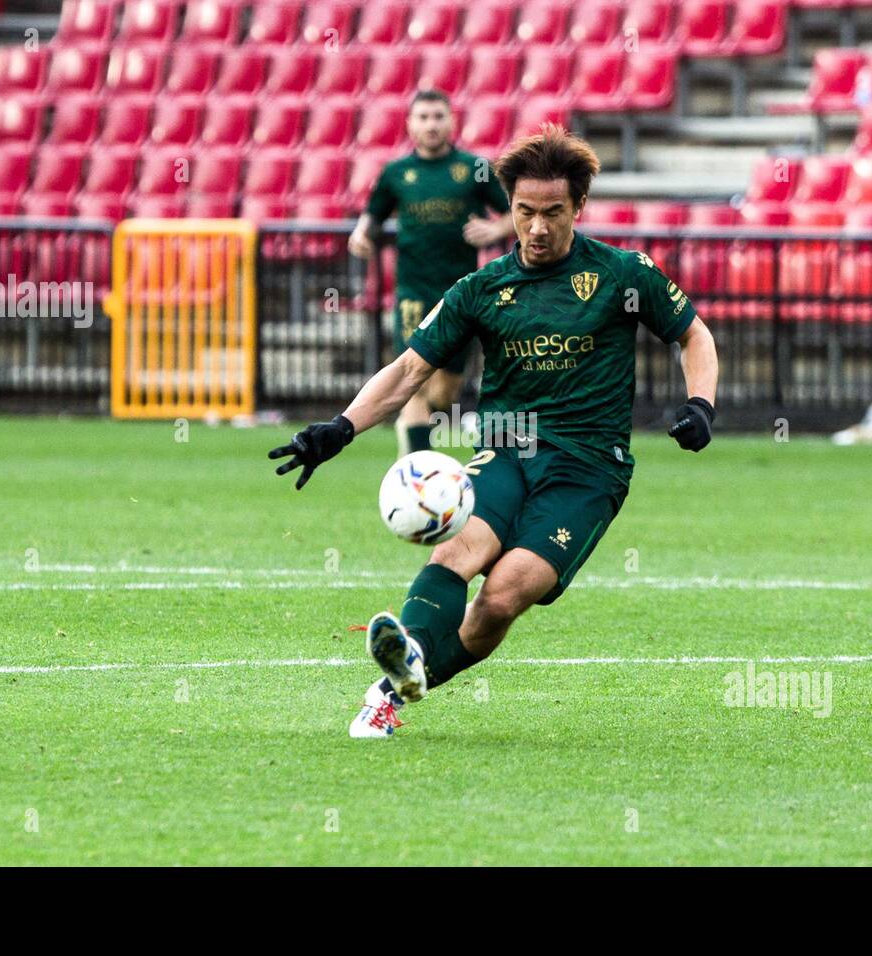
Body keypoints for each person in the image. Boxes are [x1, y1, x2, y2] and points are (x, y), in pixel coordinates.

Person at [273, 125, 720, 739]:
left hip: (587, 470)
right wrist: (339, 428)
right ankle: (394, 685)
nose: (537, 229)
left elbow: (693, 334)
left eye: (553, 214)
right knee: (455, 551)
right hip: (505, 453)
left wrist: (701, 405)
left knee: (501, 598)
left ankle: (410, 671)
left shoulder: (624, 275)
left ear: (579, 208)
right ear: (508, 207)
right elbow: (409, 370)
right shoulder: (480, 290)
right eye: (524, 212)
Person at [347, 89, 513, 456]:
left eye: (438, 117)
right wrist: (361, 235)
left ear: (452, 121)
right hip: (412, 293)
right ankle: (416, 470)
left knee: (445, 392)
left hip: (459, 296)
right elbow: (372, 216)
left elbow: (516, 211)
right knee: (413, 383)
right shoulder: (396, 173)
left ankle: (423, 437)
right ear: (409, 124)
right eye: (423, 117)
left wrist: (496, 230)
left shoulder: (474, 169)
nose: (431, 125)